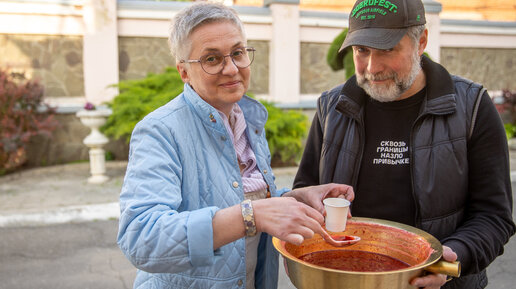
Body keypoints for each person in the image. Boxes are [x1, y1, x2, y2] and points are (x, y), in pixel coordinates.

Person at [117, 2, 354, 289]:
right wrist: (250, 216)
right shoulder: (160, 130)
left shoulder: (248, 120)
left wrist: (293, 198)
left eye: (238, 53)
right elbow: (141, 239)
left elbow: (241, 196)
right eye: (212, 59)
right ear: (184, 72)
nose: (231, 68)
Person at [293, 0, 515, 288]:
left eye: (387, 49)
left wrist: (447, 261)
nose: (372, 67)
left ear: (421, 41)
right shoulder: (331, 108)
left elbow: (494, 216)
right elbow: (303, 193)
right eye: (362, 50)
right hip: (344, 279)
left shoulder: (471, 107)